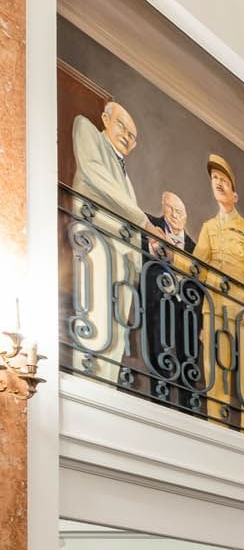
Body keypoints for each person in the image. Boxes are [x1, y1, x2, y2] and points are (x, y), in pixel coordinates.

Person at [67, 102, 146, 378]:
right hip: (97, 245)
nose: (126, 135)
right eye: (121, 125)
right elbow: (94, 173)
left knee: (116, 337)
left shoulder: (125, 173)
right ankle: (90, 383)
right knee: (96, 326)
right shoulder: (86, 129)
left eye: (133, 135)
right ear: (105, 119)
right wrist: (144, 221)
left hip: (124, 261)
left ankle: (107, 386)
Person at [192, 155, 244, 426]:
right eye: (215, 180)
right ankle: (218, 427)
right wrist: (168, 251)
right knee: (216, 374)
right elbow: (196, 267)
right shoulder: (208, 228)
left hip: (242, 311)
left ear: (235, 194)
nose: (219, 184)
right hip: (213, 308)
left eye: (224, 180)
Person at [139, 191, 205, 413]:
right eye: (171, 209)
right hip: (157, 304)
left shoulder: (195, 248)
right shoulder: (148, 226)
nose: (175, 215)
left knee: (189, 360)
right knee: (159, 352)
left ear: (186, 217)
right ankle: (161, 406)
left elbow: (201, 284)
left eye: (180, 211)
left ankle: (189, 411)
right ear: (162, 207)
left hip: (186, 311)